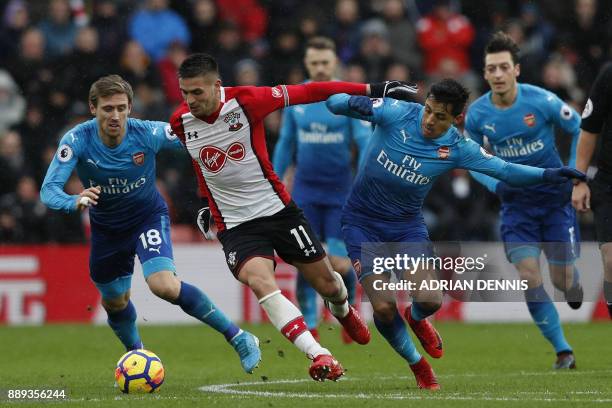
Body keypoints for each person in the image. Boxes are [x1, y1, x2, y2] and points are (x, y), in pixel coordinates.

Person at [169, 53, 417, 381]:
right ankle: (320, 355)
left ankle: (342, 309)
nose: (190, 101)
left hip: (279, 212)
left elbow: (312, 92)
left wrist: (375, 88)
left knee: (331, 285)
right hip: (236, 225)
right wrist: (204, 202)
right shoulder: (180, 121)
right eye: (185, 93)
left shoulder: (247, 101)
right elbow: (202, 162)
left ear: (217, 86)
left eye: (197, 92)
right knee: (261, 282)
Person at [325, 78, 585, 389]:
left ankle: (418, 319)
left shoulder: (458, 147)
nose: (429, 121)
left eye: (440, 116)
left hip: (406, 228)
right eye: (429, 111)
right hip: (362, 223)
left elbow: (505, 170)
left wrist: (550, 175)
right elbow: (334, 103)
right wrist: (368, 95)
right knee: (381, 305)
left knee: (431, 300)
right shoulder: (396, 111)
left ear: (456, 119)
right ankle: (418, 366)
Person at [40, 75, 261, 374]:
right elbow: (48, 190)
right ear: (93, 109)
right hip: (107, 228)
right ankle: (137, 355)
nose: (115, 115)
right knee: (115, 302)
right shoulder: (77, 140)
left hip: (147, 218)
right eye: (107, 109)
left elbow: (195, 140)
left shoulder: (149, 133)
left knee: (164, 285)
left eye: (121, 108)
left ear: (131, 107)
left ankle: (239, 337)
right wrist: (74, 200)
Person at [465, 32, 583, 370]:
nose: (498, 74)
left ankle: (572, 284)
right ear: (485, 74)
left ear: (516, 70)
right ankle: (563, 351)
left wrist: (575, 175)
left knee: (561, 280)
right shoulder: (477, 115)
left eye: (504, 67)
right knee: (529, 276)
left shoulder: (542, 101)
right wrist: (494, 184)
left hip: (555, 199)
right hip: (516, 205)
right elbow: (471, 157)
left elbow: (579, 129)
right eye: (491, 69)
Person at [272, 36, 370, 343]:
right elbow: (286, 143)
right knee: (307, 262)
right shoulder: (296, 99)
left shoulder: (346, 96)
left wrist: (367, 178)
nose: (320, 69)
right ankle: (311, 323)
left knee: (340, 263)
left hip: (341, 192)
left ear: (334, 63)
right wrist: (274, 180)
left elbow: (364, 140)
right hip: (305, 194)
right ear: (306, 64)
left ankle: (348, 310)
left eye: (325, 62)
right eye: (314, 63)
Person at [572, 62, 612, 318]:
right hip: (609, 182)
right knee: (611, 262)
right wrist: (579, 180)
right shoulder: (609, 74)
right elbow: (589, 128)